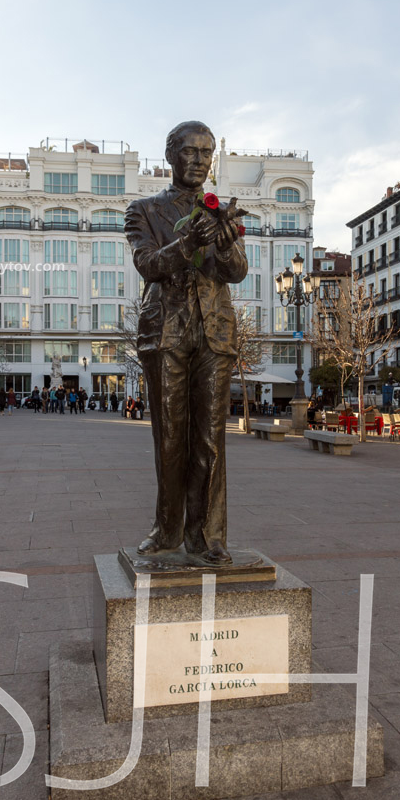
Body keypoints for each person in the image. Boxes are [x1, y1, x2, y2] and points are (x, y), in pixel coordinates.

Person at [125, 120, 247, 564]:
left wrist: (229, 244)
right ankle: (167, 529)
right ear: (170, 156)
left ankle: (209, 535)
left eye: (206, 153)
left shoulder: (221, 211)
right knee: (171, 438)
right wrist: (186, 241)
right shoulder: (143, 210)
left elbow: (235, 271)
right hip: (166, 332)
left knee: (212, 439)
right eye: (190, 152)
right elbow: (148, 265)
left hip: (214, 332)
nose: (199, 161)